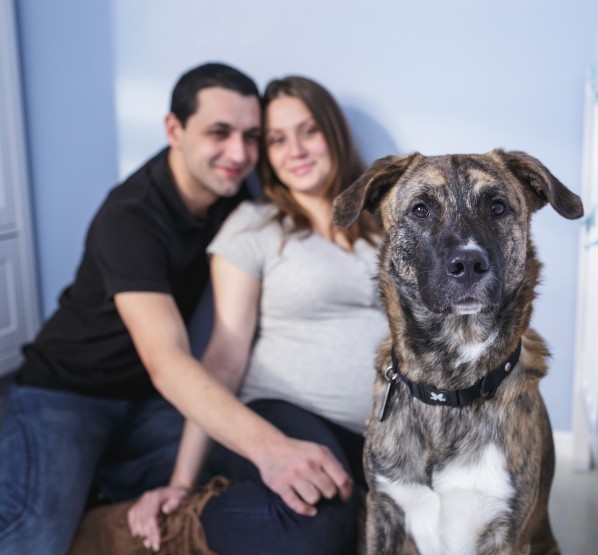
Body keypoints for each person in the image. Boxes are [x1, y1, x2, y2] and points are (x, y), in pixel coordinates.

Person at [0, 62, 262, 555]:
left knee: (226, 481)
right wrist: (276, 452)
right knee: (31, 534)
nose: (239, 153)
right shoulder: (130, 216)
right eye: (219, 133)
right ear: (173, 129)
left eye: (251, 136)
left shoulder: (232, 192)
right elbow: (168, 363)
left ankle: (94, 487)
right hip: (66, 393)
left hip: (145, 403)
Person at [124, 76, 387, 554]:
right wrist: (181, 485)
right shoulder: (256, 225)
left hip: (383, 435)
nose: (296, 150)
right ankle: (194, 520)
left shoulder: (386, 224)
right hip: (285, 411)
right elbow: (224, 356)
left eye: (309, 131)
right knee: (316, 524)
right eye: (277, 140)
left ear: (334, 133)